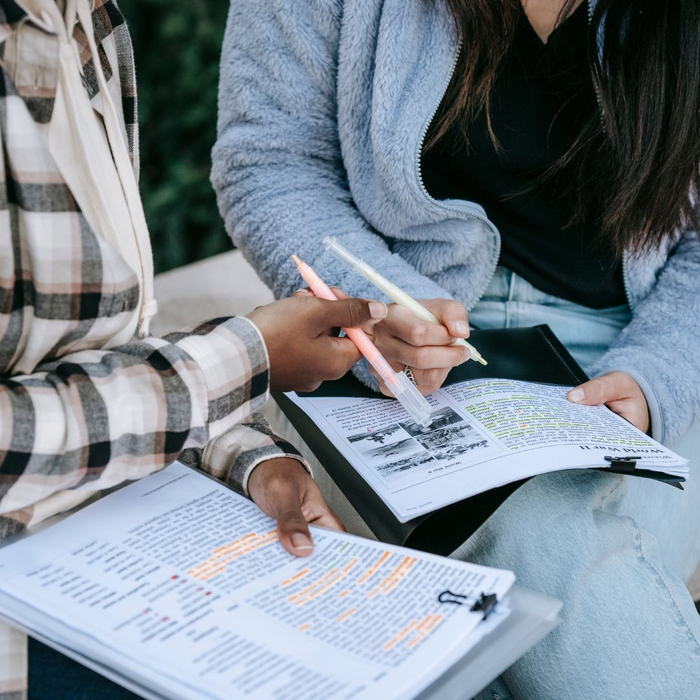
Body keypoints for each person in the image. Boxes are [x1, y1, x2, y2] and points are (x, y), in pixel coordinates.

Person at [212, 0, 700, 696]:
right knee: (536, 552)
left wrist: (657, 379)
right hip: (389, 348)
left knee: (529, 542)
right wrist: (381, 310)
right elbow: (270, 160)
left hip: (636, 348)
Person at [0, 1, 390, 697]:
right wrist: (244, 362)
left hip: (119, 556)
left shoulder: (88, 20)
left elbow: (99, 351)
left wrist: (245, 455)